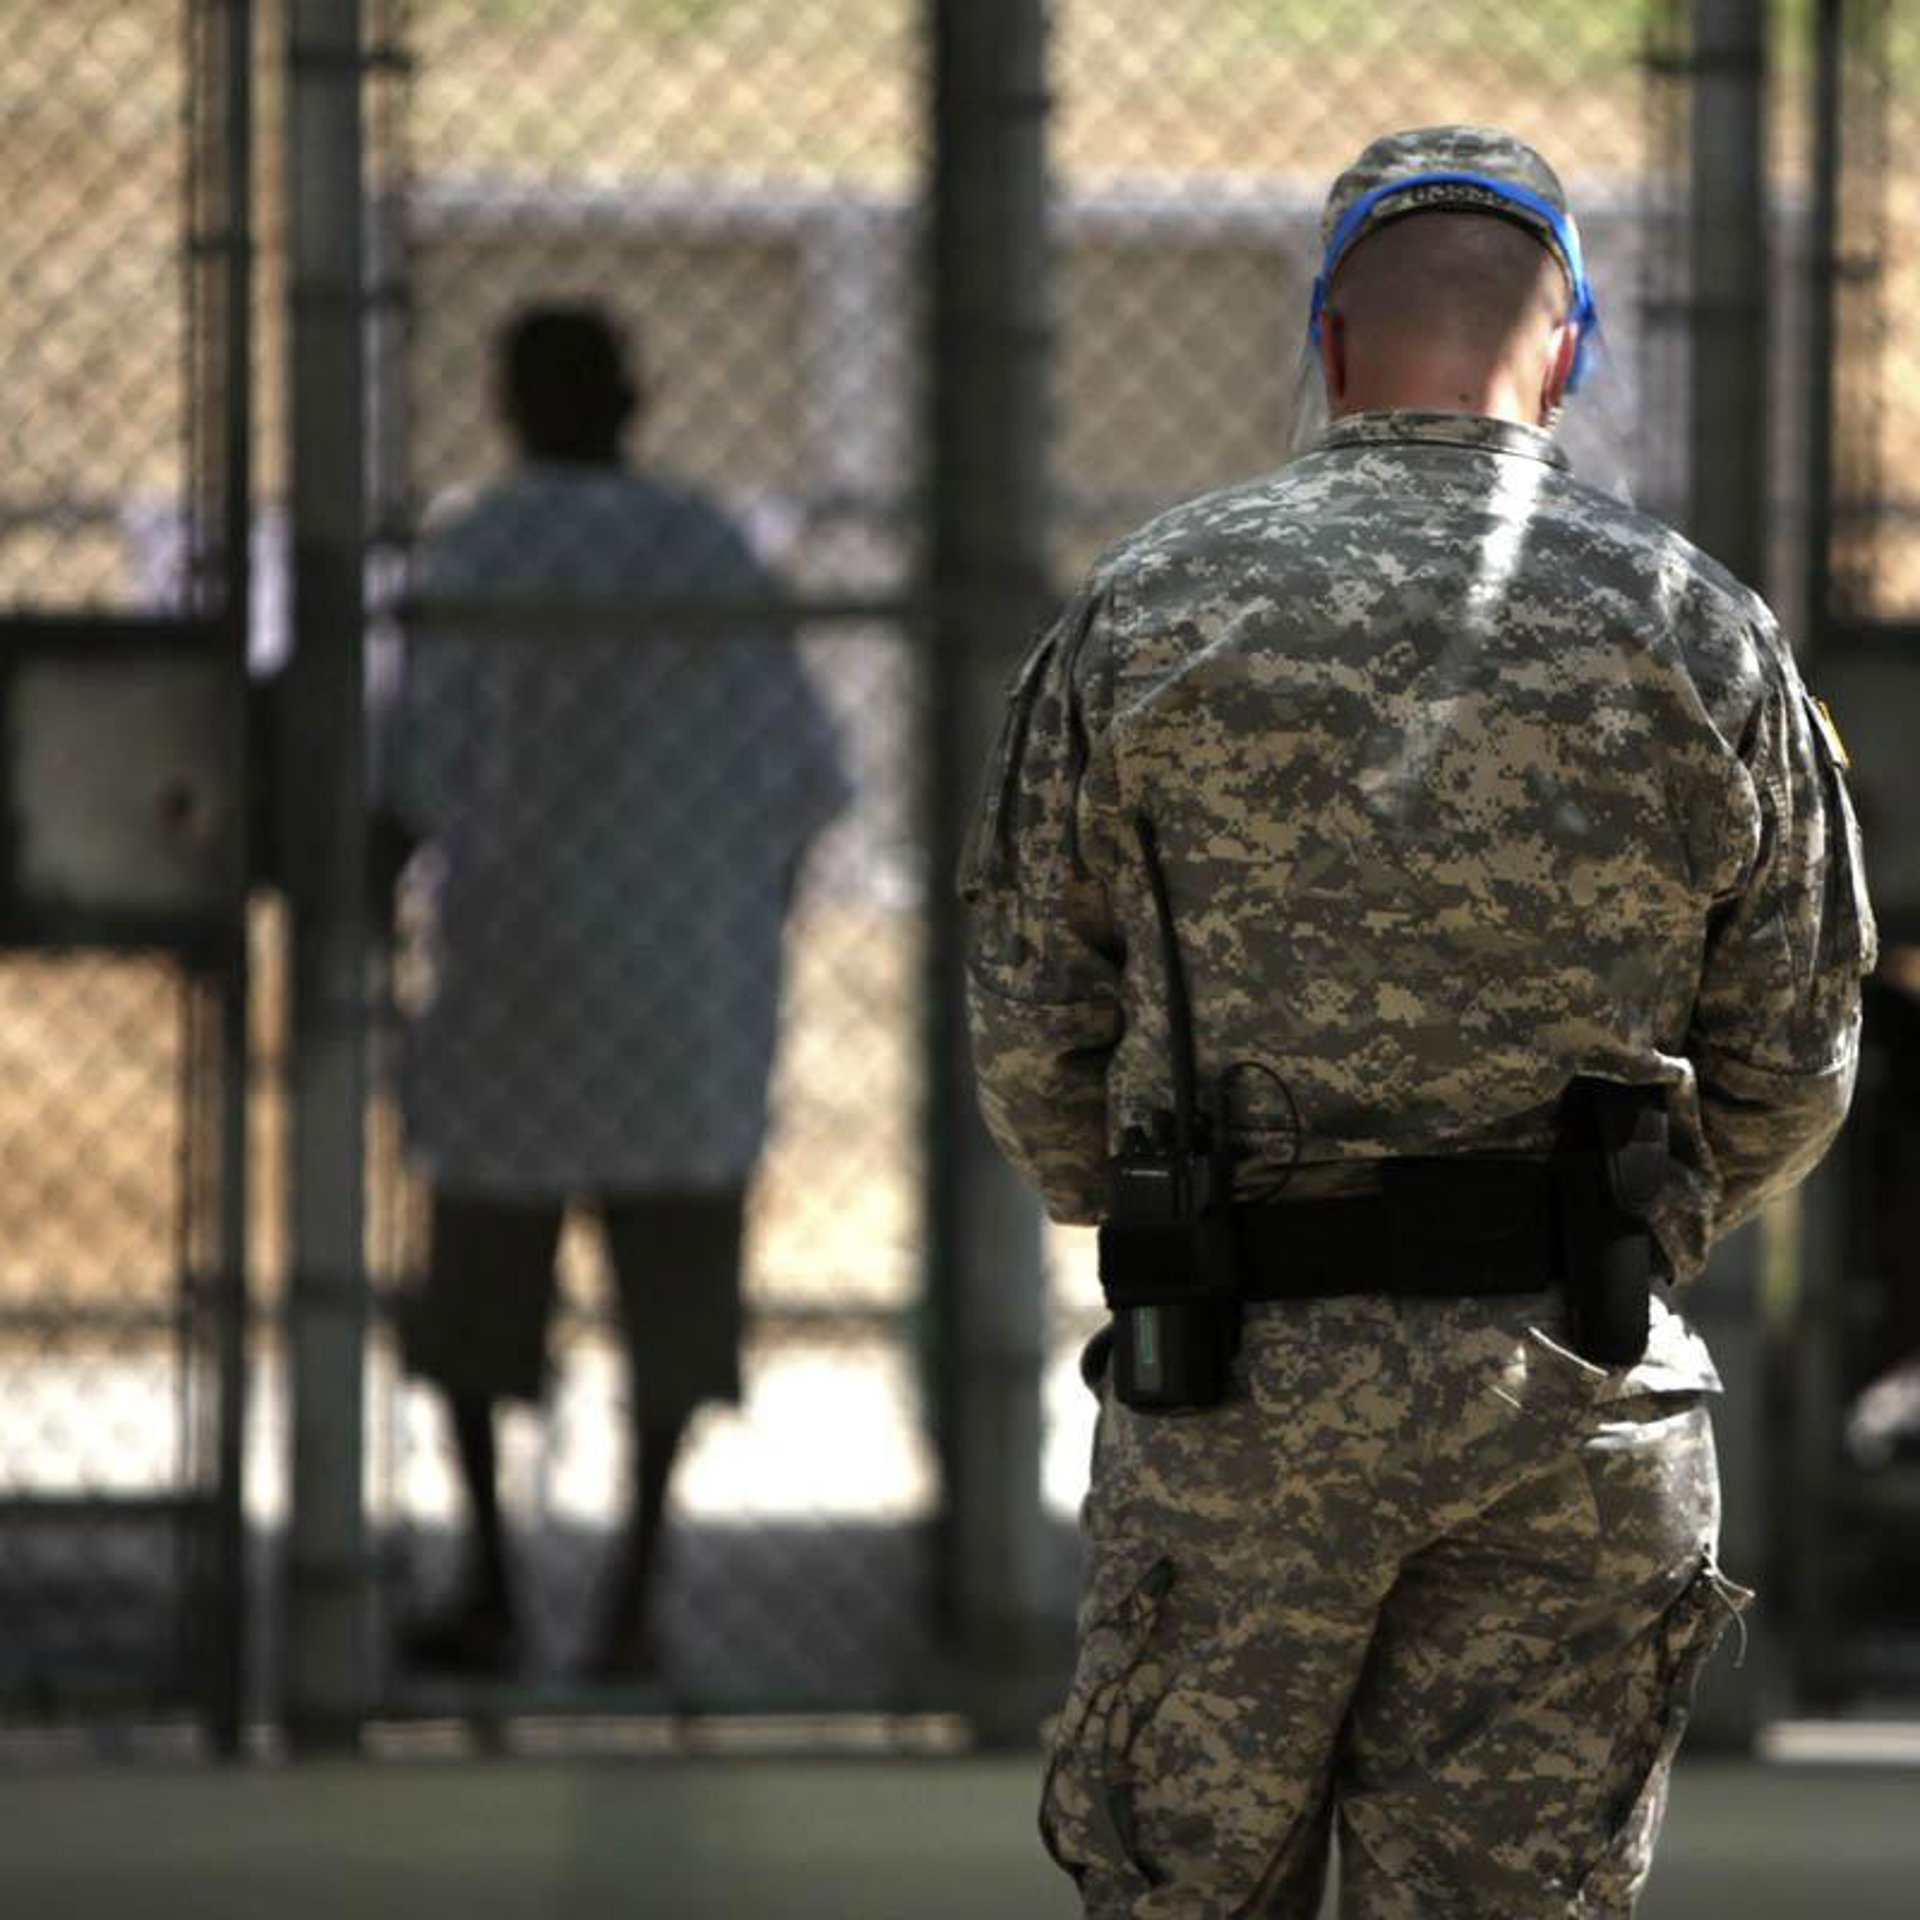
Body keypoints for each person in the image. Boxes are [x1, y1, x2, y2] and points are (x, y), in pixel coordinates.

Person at [962, 128, 1874, 1916]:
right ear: (1570, 346)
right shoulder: (1699, 625)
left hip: (1235, 1383)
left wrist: (1145, 1200)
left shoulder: (1150, 607)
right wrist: (1632, 1227)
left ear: (1328, 343)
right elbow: (1795, 1062)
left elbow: (1032, 1030)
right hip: (1573, 1385)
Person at [387, 304, 849, 1678]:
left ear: (508, 402)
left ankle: (490, 1580)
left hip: (512, 972)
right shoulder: (708, 549)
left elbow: (410, 771)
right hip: (683, 984)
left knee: (479, 1294)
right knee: (675, 1300)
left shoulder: (476, 546)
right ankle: (634, 1594)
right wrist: (741, 929)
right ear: (636, 397)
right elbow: (804, 783)